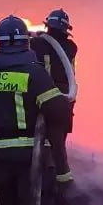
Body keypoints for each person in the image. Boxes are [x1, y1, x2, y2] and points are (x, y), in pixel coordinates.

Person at [0, 15, 73, 205]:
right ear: (25, 43)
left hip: (0, 152)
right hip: (29, 153)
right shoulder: (34, 73)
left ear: (0, 44)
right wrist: (64, 101)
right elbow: (57, 110)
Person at [30, 8, 77, 147]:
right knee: (58, 138)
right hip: (65, 94)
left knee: (38, 133)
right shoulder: (71, 47)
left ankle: (39, 161)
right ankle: (54, 163)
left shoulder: (37, 43)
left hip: (43, 91)